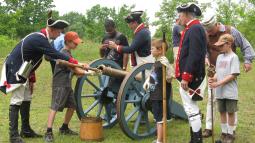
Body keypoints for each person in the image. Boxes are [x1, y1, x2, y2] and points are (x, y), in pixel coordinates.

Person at [0, 16, 82, 143]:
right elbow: (53, 54)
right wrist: (73, 61)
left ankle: (26, 130)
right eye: (59, 31)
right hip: (16, 69)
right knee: (17, 100)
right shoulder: (39, 38)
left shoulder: (42, 39)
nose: (60, 34)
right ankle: (13, 136)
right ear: (52, 30)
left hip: (24, 70)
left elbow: (32, 58)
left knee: (26, 98)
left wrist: (31, 78)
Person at [201, 14, 255, 138]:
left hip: (228, 70)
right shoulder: (206, 34)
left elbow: (245, 45)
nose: (208, 32)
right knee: (212, 100)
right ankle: (209, 128)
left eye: (210, 29)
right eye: (206, 30)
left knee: (229, 101)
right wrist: (205, 57)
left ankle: (231, 130)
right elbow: (204, 48)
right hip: (214, 71)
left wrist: (247, 61)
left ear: (216, 24)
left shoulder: (231, 31)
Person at [44, 31, 89, 142]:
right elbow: (75, 69)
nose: (77, 45)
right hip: (60, 85)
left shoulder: (68, 53)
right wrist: (88, 72)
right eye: (75, 43)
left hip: (67, 84)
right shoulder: (63, 54)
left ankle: (64, 127)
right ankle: (48, 132)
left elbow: (76, 68)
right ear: (68, 42)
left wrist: (83, 67)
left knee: (72, 105)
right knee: (55, 107)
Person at [175, 3, 207, 143]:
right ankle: (194, 138)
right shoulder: (192, 28)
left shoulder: (194, 28)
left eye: (180, 15)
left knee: (191, 108)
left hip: (192, 77)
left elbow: (194, 55)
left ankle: (197, 140)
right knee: (190, 109)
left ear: (187, 14)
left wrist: (186, 77)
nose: (179, 18)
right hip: (190, 76)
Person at [209, 34, 240, 143]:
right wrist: (213, 79)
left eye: (222, 45)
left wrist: (218, 84)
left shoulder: (234, 57)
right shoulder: (219, 57)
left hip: (230, 92)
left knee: (230, 112)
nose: (220, 48)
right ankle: (224, 132)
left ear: (229, 44)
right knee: (222, 111)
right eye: (219, 45)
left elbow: (233, 75)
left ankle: (230, 134)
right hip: (220, 92)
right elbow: (217, 72)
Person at [143, 39, 174, 143]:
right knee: (157, 118)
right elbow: (153, 74)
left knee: (160, 119)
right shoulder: (156, 63)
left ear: (160, 50)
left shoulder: (163, 63)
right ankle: (159, 139)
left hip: (160, 95)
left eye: (152, 48)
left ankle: (159, 141)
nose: (150, 50)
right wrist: (147, 81)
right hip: (154, 94)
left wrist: (168, 66)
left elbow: (170, 78)